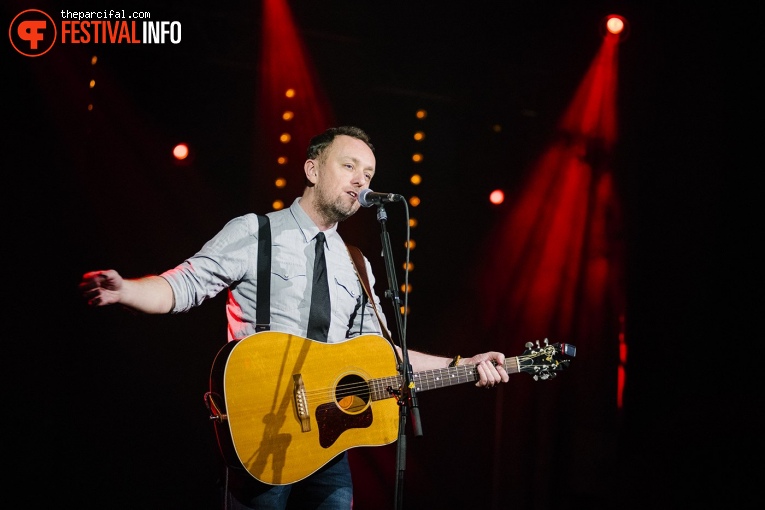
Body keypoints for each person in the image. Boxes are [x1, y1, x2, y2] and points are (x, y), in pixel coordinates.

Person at [79, 125, 510, 509]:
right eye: (349, 166)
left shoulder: (356, 263)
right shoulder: (256, 232)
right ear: (312, 170)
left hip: (327, 442)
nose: (361, 180)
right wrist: (128, 290)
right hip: (261, 428)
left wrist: (464, 365)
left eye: (369, 174)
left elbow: (380, 355)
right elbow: (185, 284)